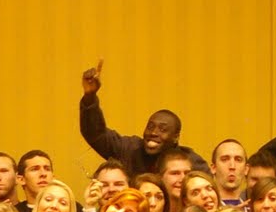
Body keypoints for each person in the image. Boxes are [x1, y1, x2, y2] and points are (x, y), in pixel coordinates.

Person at [77, 58, 209, 177]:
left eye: (163, 129)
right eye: (150, 127)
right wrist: (90, 97)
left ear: (176, 137)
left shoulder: (191, 162)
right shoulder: (129, 149)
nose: (153, 133)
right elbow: (96, 134)